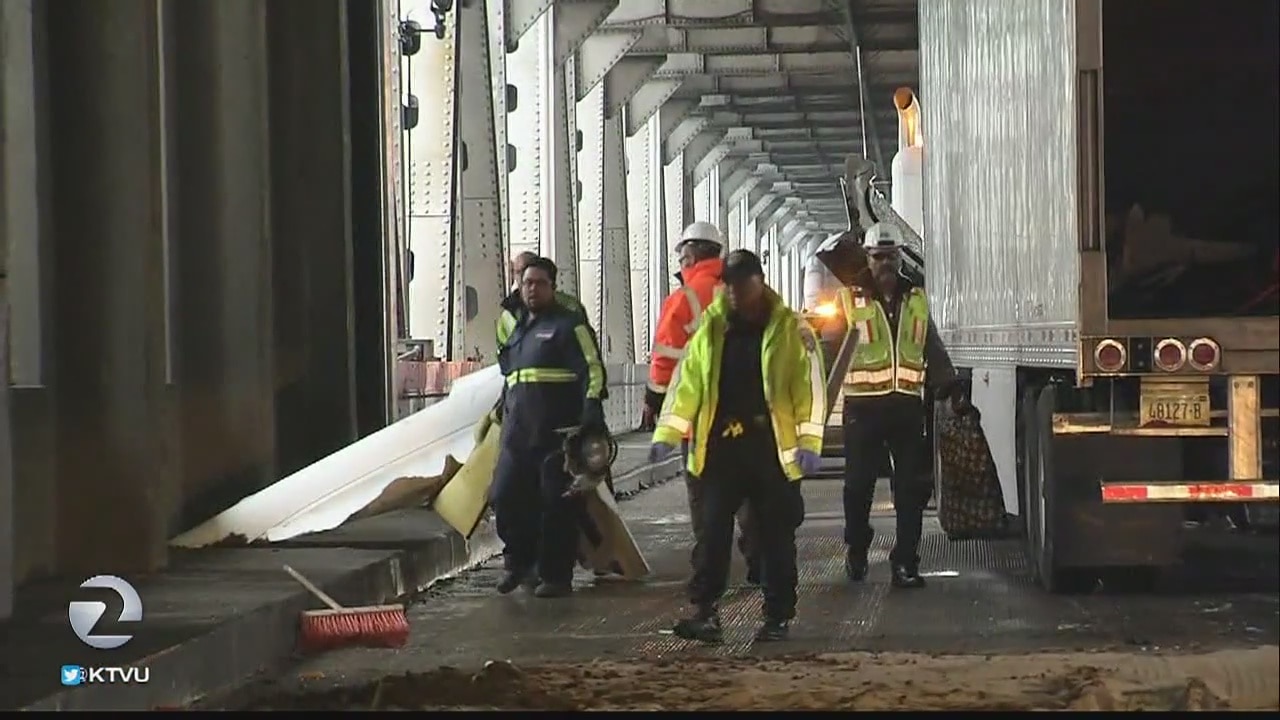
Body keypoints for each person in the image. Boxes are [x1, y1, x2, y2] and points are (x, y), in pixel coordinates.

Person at [649, 249, 827, 643]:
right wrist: (667, 434)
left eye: (740, 285)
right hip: (720, 452)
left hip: (770, 452)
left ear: (758, 282)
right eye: (727, 285)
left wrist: (811, 441)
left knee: (775, 537)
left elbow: (809, 389)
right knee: (711, 533)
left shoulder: (790, 330)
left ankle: (777, 616)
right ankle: (705, 612)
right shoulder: (711, 330)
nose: (732, 293)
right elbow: (687, 386)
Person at [825, 222, 965, 590]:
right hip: (863, 411)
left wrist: (949, 384)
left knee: (910, 491)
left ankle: (906, 562)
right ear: (867, 258)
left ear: (900, 257)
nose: (886, 263)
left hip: (906, 410)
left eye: (891, 256)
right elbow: (831, 353)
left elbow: (930, 343)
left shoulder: (915, 297)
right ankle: (857, 545)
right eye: (879, 257)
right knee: (857, 489)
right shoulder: (848, 300)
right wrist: (818, 399)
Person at [643, 222, 763, 586]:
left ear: (690, 255)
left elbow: (664, 358)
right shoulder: (747, 292)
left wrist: (654, 401)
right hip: (748, 416)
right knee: (748, 492)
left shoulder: (685, 298)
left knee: (705, 499)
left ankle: (709, 571)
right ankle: (760, 558)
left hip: (700, 422)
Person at [490, 257, 608, 598]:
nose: (532, 288)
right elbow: (511, 375)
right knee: (506, 497)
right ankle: (518, 564)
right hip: (518, 431)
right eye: (527, 282)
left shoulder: (569, 325)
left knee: (555, 506)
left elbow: (593, 368)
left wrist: (592, 407)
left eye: (540, 283)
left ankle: (556, 575)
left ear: (552, 287)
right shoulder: (515, 327)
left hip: (557, 433)